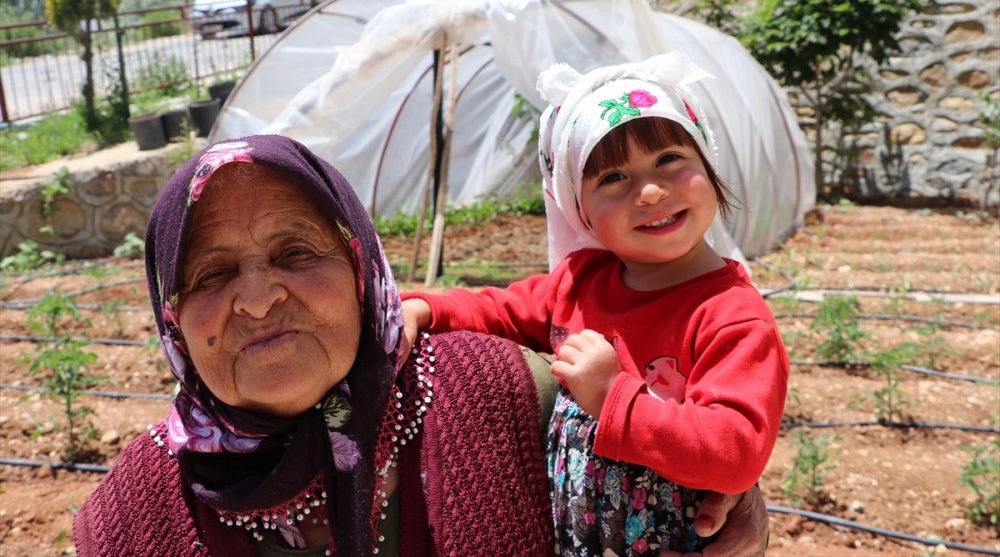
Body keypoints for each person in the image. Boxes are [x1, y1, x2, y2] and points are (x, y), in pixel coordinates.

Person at [73, 134, 770, 556]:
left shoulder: (515, 401)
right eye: (213, 272)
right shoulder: (135, 511)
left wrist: (722, 503)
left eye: (295, 251)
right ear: (174, 318)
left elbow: (684, 479)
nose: (256, 298)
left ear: (362, 271)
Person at [403, 53, 789, 555]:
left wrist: (613, 396)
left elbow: (735, 451)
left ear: (708, 165)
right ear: (579, 211)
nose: (650, 191)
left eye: (669, 159)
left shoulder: (730, 315)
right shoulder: (581, 282)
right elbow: (499, 310)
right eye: (612, 178)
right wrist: (426, 310)